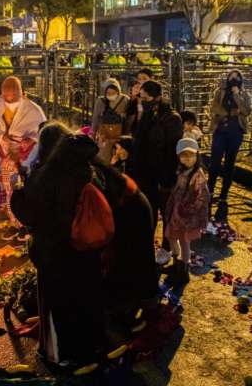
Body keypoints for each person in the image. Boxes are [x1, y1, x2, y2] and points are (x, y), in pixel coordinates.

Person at [10, 124, 157, 366]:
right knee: (89, 295)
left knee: (64, 303)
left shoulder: (49, 175)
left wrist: (18, 188)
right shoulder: (86, 165)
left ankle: (66, 356)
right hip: (92, 241)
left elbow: (29, 212)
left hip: (66, 247)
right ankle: (96, 344)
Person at [0, 76, 46, 240]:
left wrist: (30, 140)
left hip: (27, 158)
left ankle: (27, 225)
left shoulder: (33, 110)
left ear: (21, 94)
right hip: (7, 156)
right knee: (9, 192)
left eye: (13, 98)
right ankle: (14, 223)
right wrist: (3, 138)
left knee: (26, 190)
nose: (9, 101)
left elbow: (42, 131)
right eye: (6, 98)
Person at [133, 80, 183, 256]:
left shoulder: (172, 119)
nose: (142, 101)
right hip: (146, 174)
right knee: (148, 211)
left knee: (166, 213)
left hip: (163, 175)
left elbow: (172, 152)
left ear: (157, 98)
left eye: (146, 98)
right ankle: (146, 244)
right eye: (141, 97)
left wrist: (167, 178)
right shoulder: (146, 116)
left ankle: (167, 247)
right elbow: (139, 141)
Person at [162, 138, 210, 284]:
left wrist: (190, 209)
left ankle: (183, 269)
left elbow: (203, 196)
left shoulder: (198, 175)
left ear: (197, 155)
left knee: (184, 242)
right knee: (171, 236)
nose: (188, 158)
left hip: (187, 215)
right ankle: (176, 262)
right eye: (184, 155)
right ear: (179, 157)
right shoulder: (181, 170)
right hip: (177, 212)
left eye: (191, 155)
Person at [208, 70, 251, 203]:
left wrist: (237, 95)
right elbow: (214, 108)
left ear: (240, 79)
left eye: (237, 77)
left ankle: (224, 194)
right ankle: (210, 190)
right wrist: (232, 112)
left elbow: (246, 111)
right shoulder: (219, 91)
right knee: (215, 162)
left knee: (229, 163)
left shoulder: (244, 94)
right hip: (220, 131)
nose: (233, 79)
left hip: (235, 132)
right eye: (231, 76)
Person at [91, 78, 130, 163]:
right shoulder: (125, 99)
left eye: (113, 92)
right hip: (117, 135)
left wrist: (93, 136)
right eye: (109, 92)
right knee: (116, 158)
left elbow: (95, 119)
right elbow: (128, 119)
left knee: (105, 158)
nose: (111, 95)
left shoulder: (124, 100)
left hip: (106, 136)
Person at [125, 68, 154, 135]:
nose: (142, 81)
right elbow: (130, 112)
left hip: (152, 128)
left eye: (144, 78)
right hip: (137, 128)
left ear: (151, 78)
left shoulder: (155, 93)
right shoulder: (137, 93)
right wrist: (133, 97)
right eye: (139, 79)